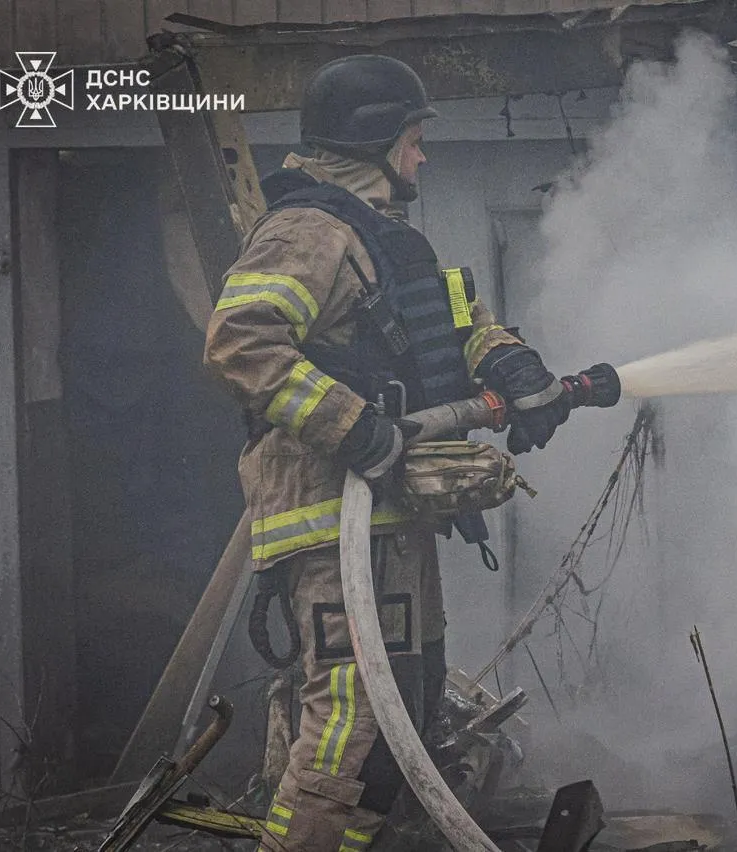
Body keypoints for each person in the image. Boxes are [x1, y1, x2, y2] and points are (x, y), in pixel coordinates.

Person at [203, 54, 570, 851]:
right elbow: (241, 343)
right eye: (413, 139)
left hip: (387, 520)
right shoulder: (307, 231)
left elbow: (455, 323)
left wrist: (513, 364)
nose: (423, 157)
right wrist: (358, 428)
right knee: (354, 726)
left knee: (405, 716)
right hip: (331, 516)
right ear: (371, 140)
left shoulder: (389, 239)